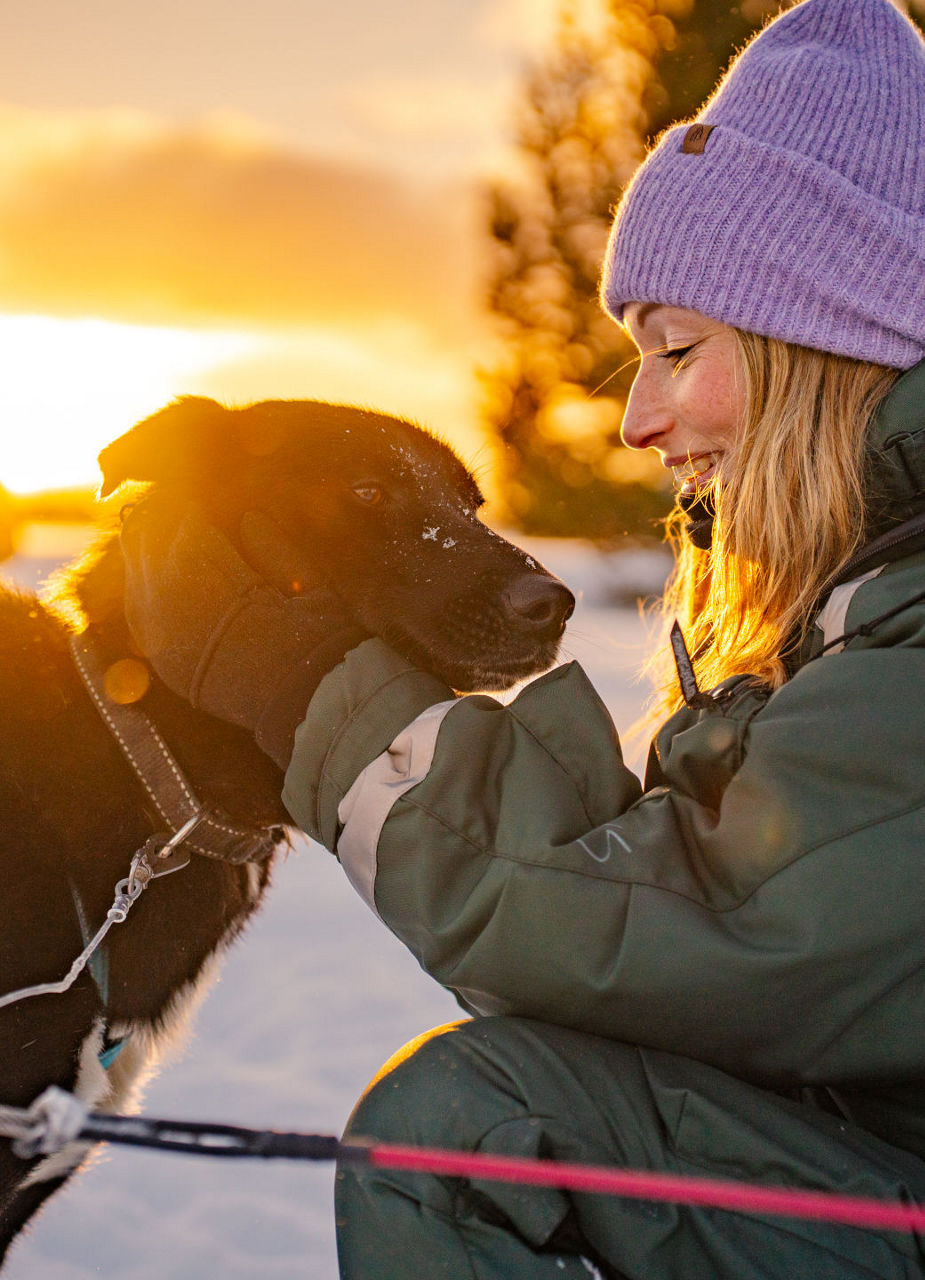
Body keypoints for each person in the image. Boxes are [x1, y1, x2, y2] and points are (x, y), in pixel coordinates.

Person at [119, 0, 925, 1274]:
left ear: (825, 341)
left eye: (674, 349)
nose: (635, 420)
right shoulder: (858, 605)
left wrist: (308, 683)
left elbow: (698, 918)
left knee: (466, 1132)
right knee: (487, 1126)